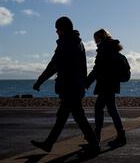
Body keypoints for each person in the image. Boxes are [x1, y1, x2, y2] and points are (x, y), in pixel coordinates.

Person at [31, 17, 100, 155]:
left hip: (69, 87)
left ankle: (93, 145)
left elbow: (54, 65)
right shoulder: (78, 42)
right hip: (76, 86)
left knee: (72, 117)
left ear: (62, 29)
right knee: (67, 116)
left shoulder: (66, 43)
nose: (56, 32)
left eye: (57, 29)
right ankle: (49, 144)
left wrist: (40, 80)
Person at [86, 29, 127, 147]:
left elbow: (97, 69)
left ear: (100, 38)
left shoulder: (104, 49)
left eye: (95, 39)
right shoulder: (112, 48)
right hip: (112, 83)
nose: (95, 42)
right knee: (111, 110)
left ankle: (97, 137)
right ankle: (120, 136)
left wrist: (87, 82)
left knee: (100, 108)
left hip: (105, 84)